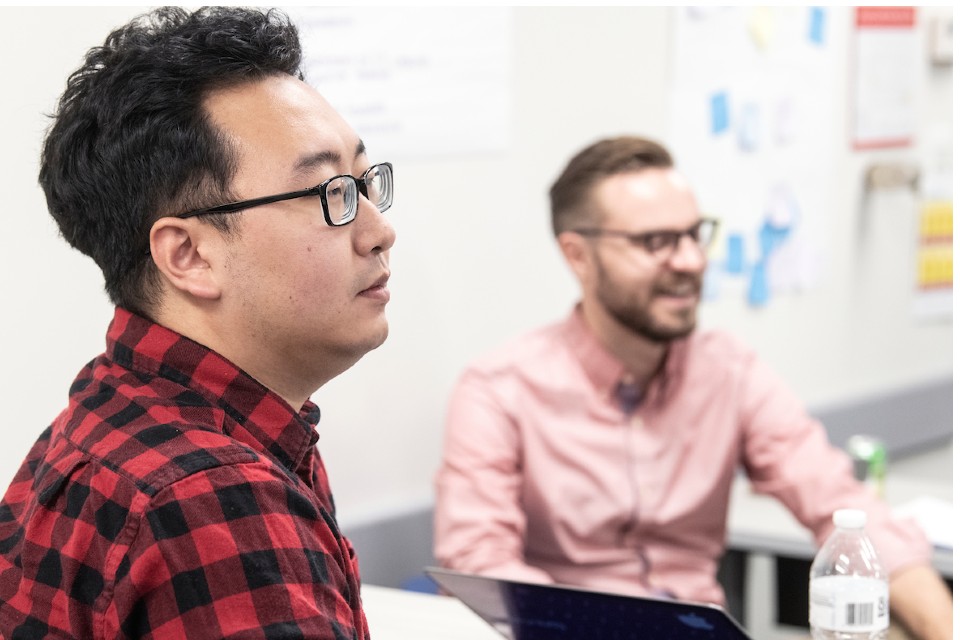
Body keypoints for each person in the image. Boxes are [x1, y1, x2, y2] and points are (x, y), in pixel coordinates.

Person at [434, 136, 952, 639]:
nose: (690, 261)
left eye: (693, 234)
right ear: (578, 256)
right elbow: (482, 565)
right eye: (655, 242)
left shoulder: (728, 372)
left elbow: (839, 502)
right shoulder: (499, 391)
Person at [0, 7, 395, 639]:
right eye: (329, 194)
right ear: (188, 255)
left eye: (363, 181)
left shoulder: (112, 408)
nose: (378, 231)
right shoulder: (208, 495)